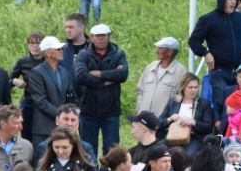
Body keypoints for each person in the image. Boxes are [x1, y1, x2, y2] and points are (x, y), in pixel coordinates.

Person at [188, 0, 241, 102]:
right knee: (222, 104)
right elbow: (193, 41)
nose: (233, 1)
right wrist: (205, 53)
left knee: (239, 107)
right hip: (219, 72)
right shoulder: (208, 19)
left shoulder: (240, 18)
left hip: (239, 73)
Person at [74, 23, 128, 157]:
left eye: (103, 35)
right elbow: (80, 76)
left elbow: (123, 75)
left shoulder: (118, 54)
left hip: (111, 111)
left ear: (109, 36)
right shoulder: (83, 54)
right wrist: (107, 80)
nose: (100, 38)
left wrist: (97, 74)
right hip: (88, 111)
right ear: (91, 37)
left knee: (112, 151)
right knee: (88, 150)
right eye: (97, 36)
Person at [27, 36, 76, 149]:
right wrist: (62, 116)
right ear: (48, 53)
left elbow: (71, 97)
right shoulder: (36, 73)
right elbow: (40, 101)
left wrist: (72, 114)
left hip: (64, 127)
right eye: (58, 49)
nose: (61, 51)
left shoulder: (65, 73)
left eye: (62, 48)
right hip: (44, 128)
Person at [159, 73, 214, 158]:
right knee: (157, 151)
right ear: (183, 88)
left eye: (196, 87)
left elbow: (209, 127)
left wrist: (193, 122)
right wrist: (170, 119)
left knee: (188, 155)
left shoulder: (204, 104)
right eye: (190, 87)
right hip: (173, 136)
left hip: (194, 137)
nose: (193, 90)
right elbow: (159, 122)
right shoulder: (173, 101)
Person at [135, 36, 186, 117]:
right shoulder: (150, 67)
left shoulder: (181, 72)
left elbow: (183, 97)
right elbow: (140, 91)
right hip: (143, 119)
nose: (156, 51)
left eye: (160, 48)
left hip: (163, 122)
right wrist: (139, 109)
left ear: (170, 52)